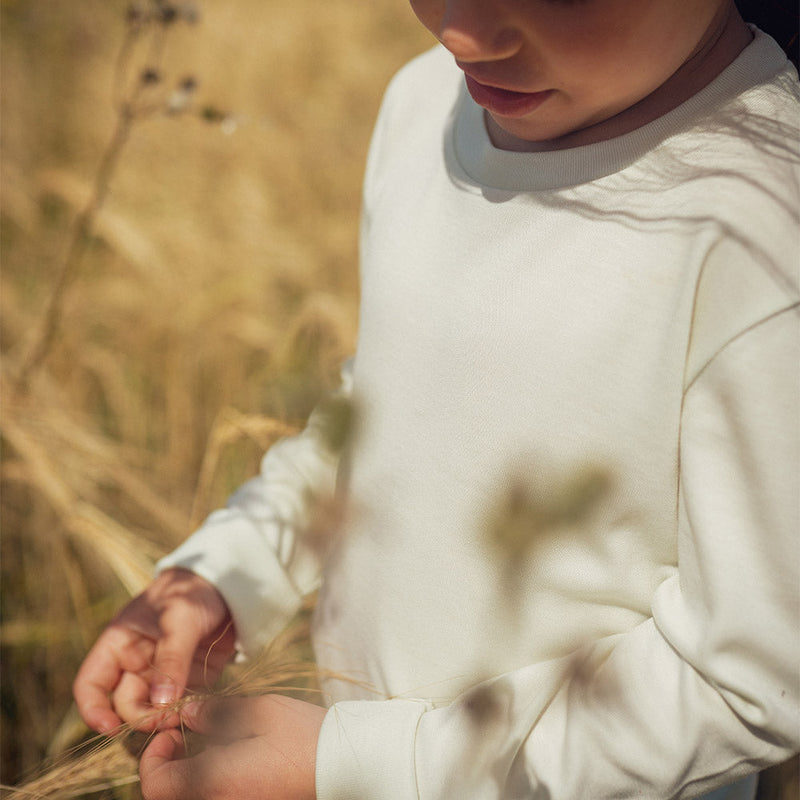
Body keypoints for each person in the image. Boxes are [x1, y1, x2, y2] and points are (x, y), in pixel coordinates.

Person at [73, 0, 800, 798]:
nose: (463, 34)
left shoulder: (763, 232)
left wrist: (365, 767)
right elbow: (385, 406)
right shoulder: (424, 102)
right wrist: (236, 573)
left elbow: (749, 674)